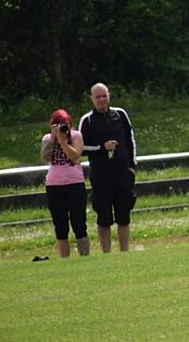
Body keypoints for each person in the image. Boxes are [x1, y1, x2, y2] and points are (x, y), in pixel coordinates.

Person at [79, 83, 137, 253]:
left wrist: (132, 167)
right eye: (98, 97)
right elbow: (80, 148)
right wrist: (101, 147)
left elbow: (130, 140)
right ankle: (106, 254)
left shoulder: (120, 114)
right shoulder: (87, 120)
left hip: (123, 173)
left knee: (124, 214)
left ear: (109, 96)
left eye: (104, 96)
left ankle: (124, 252)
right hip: (101, 174)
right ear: (91, 98)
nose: (101, 100)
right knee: (104, 216)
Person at [41, 109, 89, 257]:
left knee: (79, 223)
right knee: (60, 226)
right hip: (54, 186)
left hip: (75, 184)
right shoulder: (47, 138)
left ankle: (84, 256)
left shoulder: (76, 136)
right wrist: (53, 138)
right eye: (59, 124)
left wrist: (63, 141)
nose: (63, 127)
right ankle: (65, 259)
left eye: (65, 124)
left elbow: (75, 155)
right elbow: (45, 157)